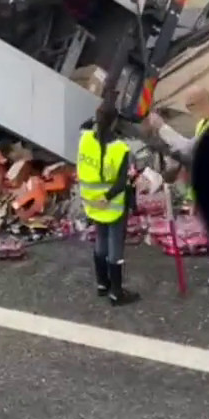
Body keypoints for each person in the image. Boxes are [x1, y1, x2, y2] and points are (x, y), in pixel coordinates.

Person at [147, 85, 209, 306]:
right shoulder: (204, 124)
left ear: (199, 104)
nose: (188, 110)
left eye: (189, 106)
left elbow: (186, 150)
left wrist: (161, 127)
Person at [75, 100, 138, 306]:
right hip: (112, 206)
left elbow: (85, 125)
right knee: (115, 247)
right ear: (115, 123)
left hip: (91, 202)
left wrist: (99, 115)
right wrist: (108, 197)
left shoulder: (84, 139)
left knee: (100, 241)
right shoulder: (120, 149)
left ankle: (102, 284)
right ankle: (116, 292)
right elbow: (121, 184)